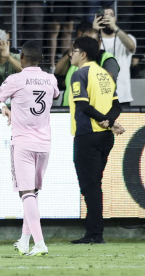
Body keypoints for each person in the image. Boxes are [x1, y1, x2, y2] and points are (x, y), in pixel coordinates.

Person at [0, 40, 60, 256]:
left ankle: (40, 243)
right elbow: (55, 95)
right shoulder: (50, 79)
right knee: (32, 195)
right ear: (42, 59)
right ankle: (25, 241)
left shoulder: (15, 80)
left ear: (21, 58)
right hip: (44, 144)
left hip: (23, 143)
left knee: (26, 194)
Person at [68, 37, 125, 244]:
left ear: (83, 54)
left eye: (73, 51)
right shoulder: (105, 75)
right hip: (105, 137)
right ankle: (93, 230)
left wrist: (102, 120)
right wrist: (109, 122)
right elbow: (117, 106)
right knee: (94, 184)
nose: (70, 55)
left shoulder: (79, 74)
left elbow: (83, 106)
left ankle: (94, 233)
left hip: (87, 135)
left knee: (89, 186)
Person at [55, 28, 119, 106]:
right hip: (67, 112)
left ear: (99, 43)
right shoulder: (75, 58)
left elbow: (108, 81)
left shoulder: (106, 58)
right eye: (85, 42)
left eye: (92, 42)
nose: (88, 46)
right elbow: (58, 72)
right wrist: (71, 51)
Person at [93, 6, 136, 105]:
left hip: (122, 96)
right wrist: (95, 30)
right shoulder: (95, 40)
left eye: (111, 16)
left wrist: (115, 28)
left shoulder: (127, 38)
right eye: (104, 16)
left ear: (115, 19)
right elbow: (87, 53)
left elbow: (131, 47)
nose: (107, 19)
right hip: (99, 96)